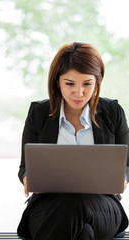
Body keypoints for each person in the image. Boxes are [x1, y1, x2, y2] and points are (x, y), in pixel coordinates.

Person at [17, 42, 129, 240]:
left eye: (87, 84)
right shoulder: (38, 113)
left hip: (102, 207)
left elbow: (127, 163)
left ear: (97, 81)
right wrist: (27, 177)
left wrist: (124, 177)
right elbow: (25, 167)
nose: (79, 93)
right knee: (83, 232)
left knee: (74, 204)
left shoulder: (113, 112)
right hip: (48, 205)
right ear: (57, 82)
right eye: (70, 84)